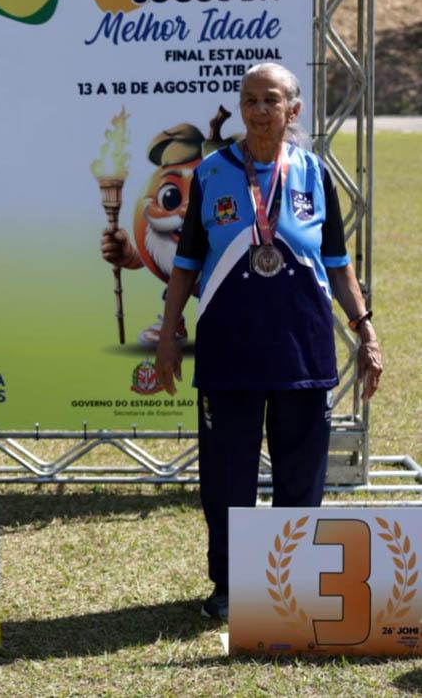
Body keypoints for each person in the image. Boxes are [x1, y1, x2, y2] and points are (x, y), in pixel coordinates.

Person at [154, 62, 383, 622]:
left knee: (300, 477)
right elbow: (185, 263)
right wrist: (167, 333)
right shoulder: (210, 174)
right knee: (227, 476)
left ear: (293, 110)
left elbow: (337, 264)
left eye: (271, 100)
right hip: (229, 350)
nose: (259, 110)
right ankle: (232, 586)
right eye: (250, 99)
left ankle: (293, 584)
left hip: (302, 351)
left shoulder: (312, 174)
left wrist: (365, 329)